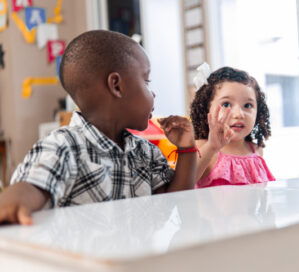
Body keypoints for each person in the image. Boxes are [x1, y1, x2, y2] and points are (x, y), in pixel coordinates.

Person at [0, 30, 197, 225]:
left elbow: (173, 201)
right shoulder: (65, 147)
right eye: (146, 81)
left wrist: (186, 149)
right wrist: (13, 201)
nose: (153, 94)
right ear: (116, 86)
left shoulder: (146, 153)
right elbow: (33, 185)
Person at [190, 66, 275, 188]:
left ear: (258, 111)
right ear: (206, 109)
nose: (238, 114)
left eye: (247, 105)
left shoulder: (256, 150)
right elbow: (184, 184)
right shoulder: (202, 148)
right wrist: (211, 147)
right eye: (226, 104)